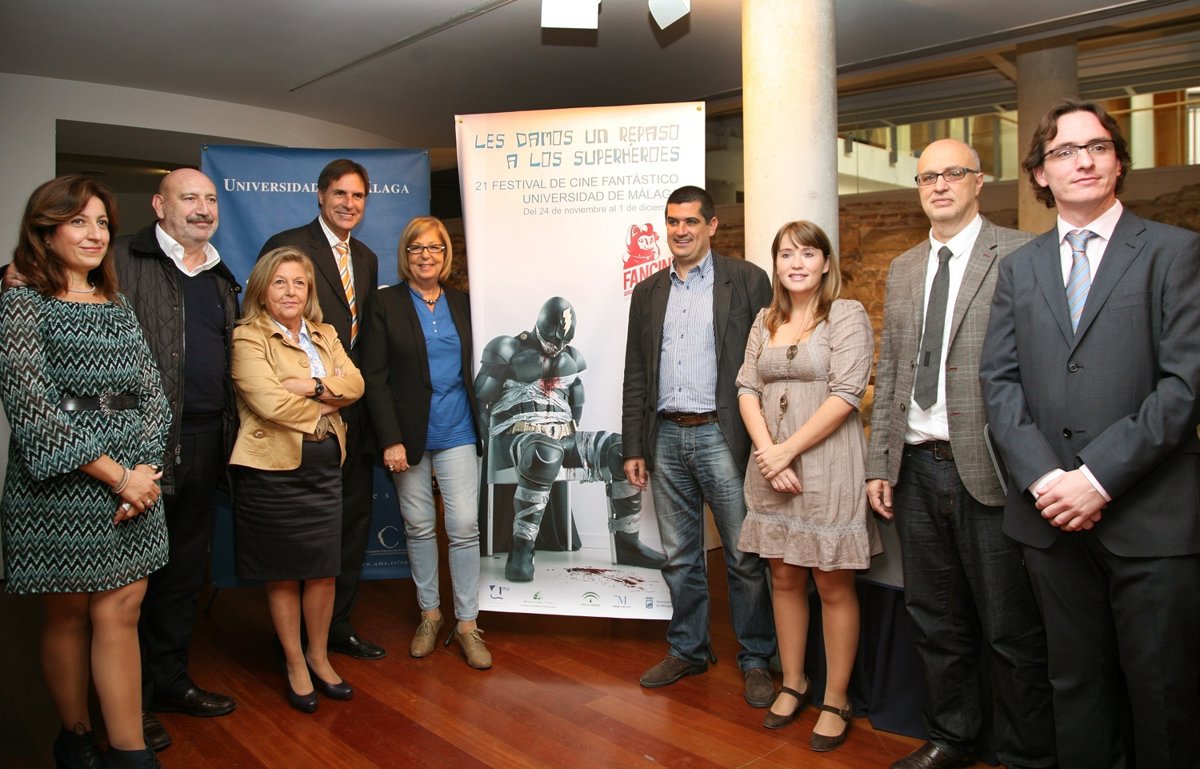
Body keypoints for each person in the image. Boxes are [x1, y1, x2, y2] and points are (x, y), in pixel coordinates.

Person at [980, 98, 1200, 769]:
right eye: (1064, 151)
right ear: (1039, 173)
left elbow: (1184, 387)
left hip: (1151, 519)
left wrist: (1096, 478)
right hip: (1050, 520)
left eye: (1098, 147)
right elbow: (999, 384)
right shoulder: (1020, 267)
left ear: (1118, 162)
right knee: (1075, 689)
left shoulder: (1175, 252)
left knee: (1164, 696)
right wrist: (1049, 480)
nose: (1083, 161)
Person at [867, 139, 1055, 769]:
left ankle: (1027, 753)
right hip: (916, 467)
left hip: (993, 469)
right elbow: (893, 369)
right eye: (928, 177)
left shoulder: (1023, 254)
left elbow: (1040, 368)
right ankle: (951, 735)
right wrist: (879, 462)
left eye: (953, 173)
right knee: (934, 618)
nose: (940, 185)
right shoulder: (903, 268)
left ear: (980, 181)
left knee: (1010, 626)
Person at [0, 176, 169, 769]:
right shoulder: (21, 302)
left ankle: (129, 750)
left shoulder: (116, 303)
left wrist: (143, 470)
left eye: (101, 223)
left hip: (136, 485)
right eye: (78, 221)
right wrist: (118, 477)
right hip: (62, 489)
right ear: (46, 231)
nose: (95, 234)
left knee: (122, 611)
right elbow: (33, 409)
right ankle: (74, 737)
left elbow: (152, 394)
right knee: (68, 614)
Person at [621, 185, 777, 708]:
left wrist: (769, 439)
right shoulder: (648, 292)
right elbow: (636, 373)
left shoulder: (747, 280)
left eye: (691, 221)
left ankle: (757, 658)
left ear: (712, 226)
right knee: (681, 556)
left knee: (744, 555)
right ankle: (688, 649)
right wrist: (633, 445)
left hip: (722, 433)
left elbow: (766, 363)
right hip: (665, 436)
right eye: (672, 221)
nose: (680, 230)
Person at [110, 168, 240, 753]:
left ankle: (169, 682)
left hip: (206, 442)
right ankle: (128, 705)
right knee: (131, 582)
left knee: (185, 574)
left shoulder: (220, 275)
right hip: (140, 449)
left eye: (210, 199)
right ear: (160, 205)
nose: (203, 208)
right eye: (190, 198)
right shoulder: (120, 259)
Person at [737, 220, 879, 751]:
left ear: (825, 263)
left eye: (807, 253)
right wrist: (768, 454)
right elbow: (746, 387)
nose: (796, 263)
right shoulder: (765, 318)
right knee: (783, 575)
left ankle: (836, 698)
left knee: (832, 582)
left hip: (826, 464)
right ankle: (794, 681)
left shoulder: (846, 314)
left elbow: (847, 394)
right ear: (775, 265)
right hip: (770, 463)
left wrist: (786, 450)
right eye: (786, 254)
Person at [229, 247, 364, 713]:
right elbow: (269, 403)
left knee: (324, 570)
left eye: (299, 283)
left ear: (309, 292)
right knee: (284, 573)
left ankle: (318, 656)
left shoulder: (325, 333)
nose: (291, 291)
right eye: (280, 282)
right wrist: (328, 402)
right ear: (262, 289)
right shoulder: (248, 337)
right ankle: (293, 662)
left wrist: (309, 386)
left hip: (325, 472)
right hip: (273, 473)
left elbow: (357, 384)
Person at [259, 158, 383, 660]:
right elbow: (265, 322)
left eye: (358, 196)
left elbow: (362, 341)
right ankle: (294, 644)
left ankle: (337, 627)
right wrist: (313, 390)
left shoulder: (367, 258)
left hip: (353, 412)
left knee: (351, 524)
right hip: (302, 417)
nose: (349, 204)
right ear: (320, 195)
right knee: (302, 531)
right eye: (340, 194)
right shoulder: (288, 245)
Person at [360, 216, 491, 670]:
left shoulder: (463, 303)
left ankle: (468, 623)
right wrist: (390, 439)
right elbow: (374, 378)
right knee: (418, 526)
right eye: (416, 248)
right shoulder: (384, 304)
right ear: (406, 254)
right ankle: (430, 615)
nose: (425, 256)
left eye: (434, 247)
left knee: (465, 526)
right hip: (408, 437)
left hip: (458, 429)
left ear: (445, 254)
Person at [474, 295, 666, 582]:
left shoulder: (572, 359)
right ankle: (521, 551)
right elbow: (480, 401)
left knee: (619, 449)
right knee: (545, 453)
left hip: (562, 436)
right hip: (516, 437)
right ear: (540, 326)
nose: (556, 347)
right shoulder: (507, 348)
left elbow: (577, 404)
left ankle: (629, 545)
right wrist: (489, 446)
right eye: (553, 340)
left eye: (563, 342)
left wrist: (572, 438)